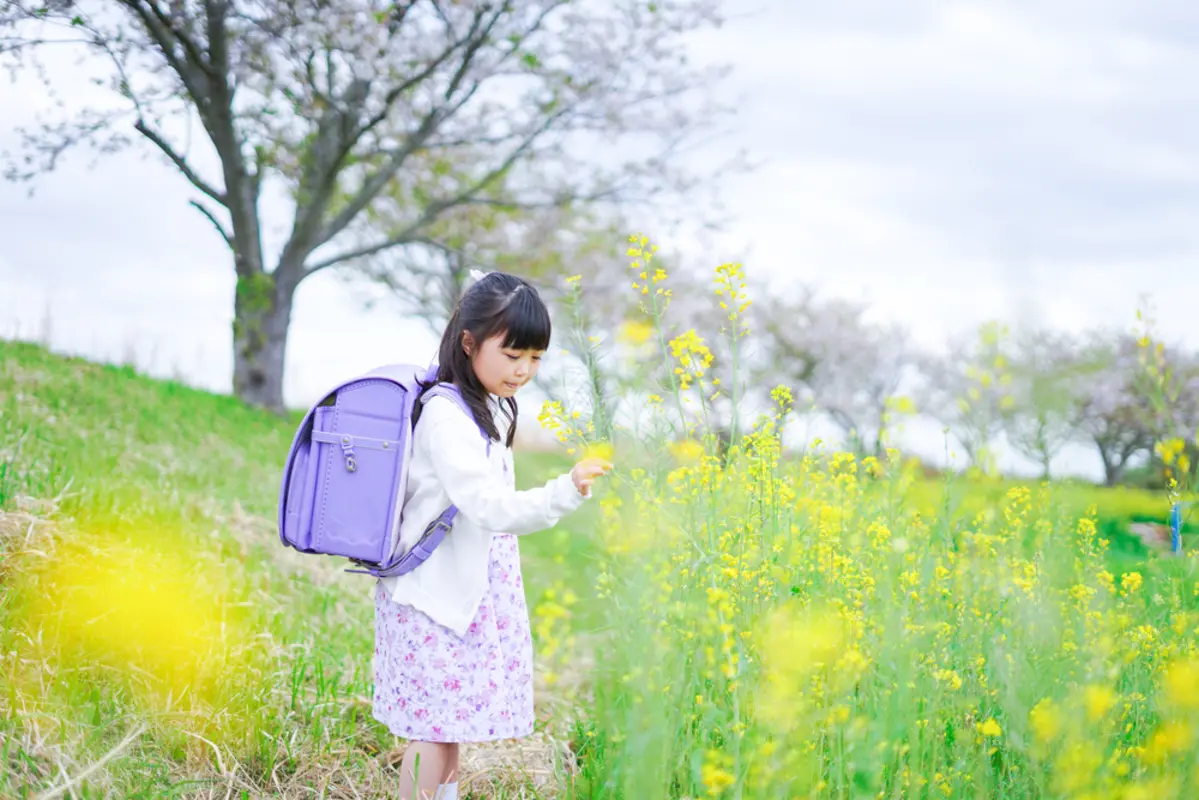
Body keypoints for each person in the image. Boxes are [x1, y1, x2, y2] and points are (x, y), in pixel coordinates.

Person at [373, 270, 611, 800]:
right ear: (469, 342)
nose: (524, 370)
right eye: (512, 355)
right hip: (431, 597)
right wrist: (564, 490)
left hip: (462, 594)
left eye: (536, 358)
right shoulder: (445, 415)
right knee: (431, 734)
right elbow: (487, 507)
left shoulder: (482, 407)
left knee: (450, 727)